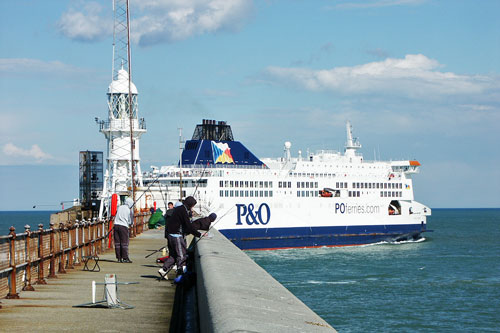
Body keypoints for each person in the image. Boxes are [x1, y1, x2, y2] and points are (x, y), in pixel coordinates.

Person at [159, 196, 201, 279]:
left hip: (170, 235)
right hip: (176, 236)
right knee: (182, 256)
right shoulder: (183, 210)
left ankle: (163, 269)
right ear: (190, 204)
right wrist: (199, 234)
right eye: (192, 205)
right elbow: (188, 225)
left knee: (173, 256)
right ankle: (181, 274)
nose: (192, 207)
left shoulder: (178, 209)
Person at [114, 198, 134, 263]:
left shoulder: (119, 207)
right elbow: (130, 221)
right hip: (123, 226)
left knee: (117, 243)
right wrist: (130, 224)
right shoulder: (129, 210)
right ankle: (125, 258)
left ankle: (119, 258)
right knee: (124, 243)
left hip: (116, 225)